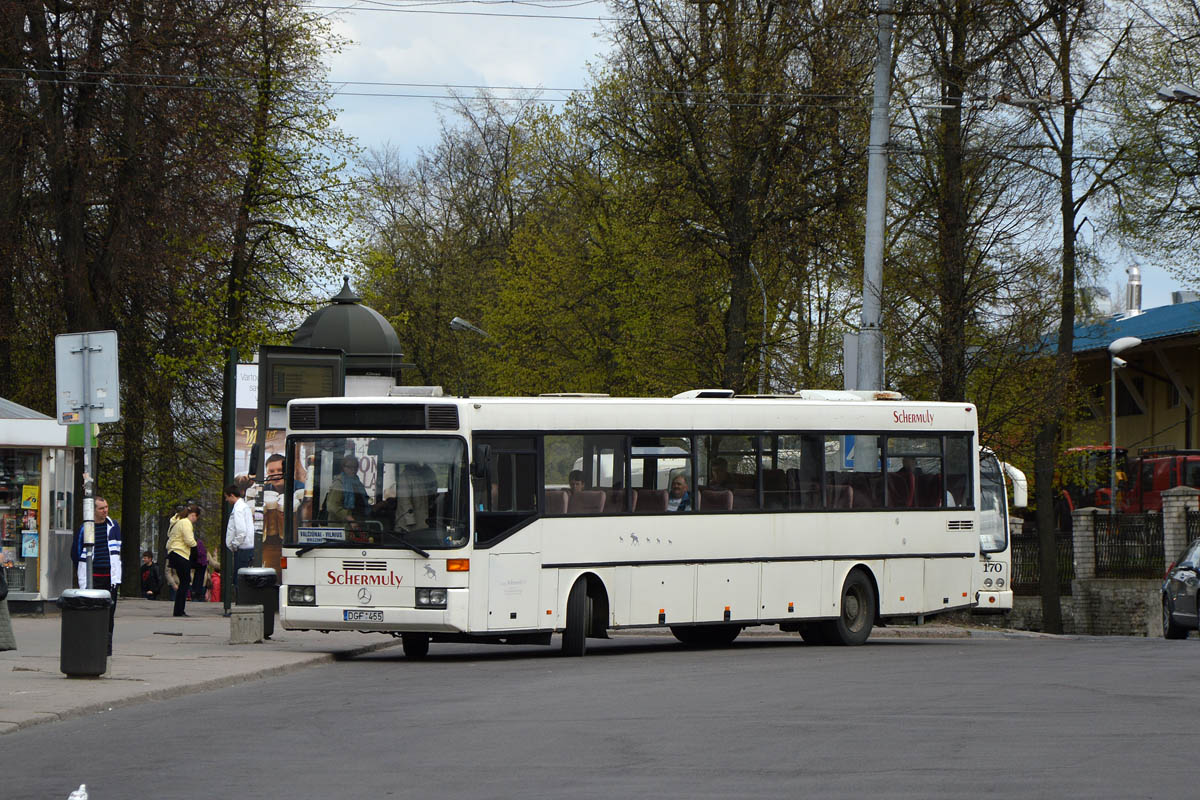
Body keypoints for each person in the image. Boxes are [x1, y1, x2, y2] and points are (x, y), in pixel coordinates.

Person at [70, 497, 122, 655]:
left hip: (110, 577)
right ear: (93, 510)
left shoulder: (113, 526)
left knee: (109, 612)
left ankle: (106, 649)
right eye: (101, 508)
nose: (105, 510)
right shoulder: (85, 528)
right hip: (92, 576)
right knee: (90, 611)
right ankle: (91, 645)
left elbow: (118, 551)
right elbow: (76, 552)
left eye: (106, 507)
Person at [167, 503, 200, 617]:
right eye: (196, 518)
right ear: (194, 515)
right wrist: (195, 546)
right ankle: (179, 610)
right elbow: (189, 540)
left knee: (184, 581)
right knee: (185, 581)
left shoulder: (177, 522)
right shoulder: (186, 522)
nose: (195, 521)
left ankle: (179, 609)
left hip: (174, 552)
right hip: (180, 553)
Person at [225, 484, 255, 601]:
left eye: (227, 497)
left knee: (239, 578)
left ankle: (240, 602)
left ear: (232, 495)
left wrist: (234, 544)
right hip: (248, 547)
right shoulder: (245, 506)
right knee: (244, 577)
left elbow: (241, 530)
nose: (226, 500)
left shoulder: (238, 509)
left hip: (242, 548)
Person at [326, 455, 369, 522]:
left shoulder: (358, 483)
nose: (353, 470)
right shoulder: (339, 483)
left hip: (359, 522)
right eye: (349, 467)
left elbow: (362, 503)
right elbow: (332, 506)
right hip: (342, 526)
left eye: (355, 467)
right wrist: (348, 517)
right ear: (343, 467)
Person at [189, 534, 208, 601]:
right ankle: (196, 593)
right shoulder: (199, 543)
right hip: (200, 563)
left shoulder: (197, 543)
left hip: (200, 563)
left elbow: (198, 554)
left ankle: (196, 593)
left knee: (198, 578)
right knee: (198, 578)